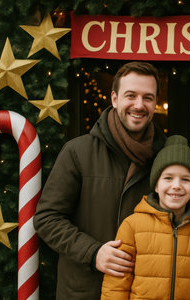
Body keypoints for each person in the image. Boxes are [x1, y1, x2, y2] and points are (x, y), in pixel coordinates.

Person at [33, 61, 167, 299]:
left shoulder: (165, 157)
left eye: (148, 97)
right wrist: (93, 253)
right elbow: (47, 218)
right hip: (85, 291)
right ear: (114, 99)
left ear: (156, 102)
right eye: (131, 95)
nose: (139, 105)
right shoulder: (78, 152)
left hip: (142, 292)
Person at [101, 135, 190, 299]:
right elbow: (116, 286)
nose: (176, 186)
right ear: (156, 185)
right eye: (168, 178)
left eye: (185, 179)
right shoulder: (132, 225)